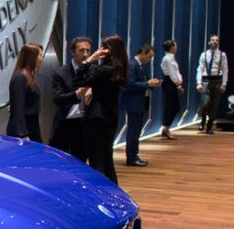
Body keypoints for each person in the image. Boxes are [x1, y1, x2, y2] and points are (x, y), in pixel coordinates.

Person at [74, 34, 129, 183]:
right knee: (107, 160)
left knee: (96, 161)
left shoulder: (104, 70)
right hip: (111, 117)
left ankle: (100, 193)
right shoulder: (120, 70)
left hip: (96, 117)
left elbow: (77, 80)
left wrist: (90, 59)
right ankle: (114, 193)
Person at [50, 37, 91, 160]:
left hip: (85, 123)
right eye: (81, 50)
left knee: (81, 160)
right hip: (65, 122)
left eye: (88, 50)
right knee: (61, 160)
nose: (85, 54)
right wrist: (78, 93)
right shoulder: (60, 72)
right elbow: (58, 98)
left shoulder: (93, 71)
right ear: (73, 52)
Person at [124, 44, 161, 166]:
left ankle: (134, 155)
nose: (149, 60)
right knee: (133, 131)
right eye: (149, 57)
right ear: (143, 53)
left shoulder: (138, 66)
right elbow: (130, 84)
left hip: (139, 103)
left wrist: (151, 85)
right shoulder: (132, 65)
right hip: (133, 103)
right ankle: (131, 157)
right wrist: (147, 84)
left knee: (136, 131)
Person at [6, 43, 44, 142]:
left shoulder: (29, 76)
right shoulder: (20, 77)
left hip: (31, 126)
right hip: (23, 130)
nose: (42, 59)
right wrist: (22, 134)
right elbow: (18, 107)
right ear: (32, 57)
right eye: (40, 55)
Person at [195, 34, 228, 134]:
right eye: (213, 40)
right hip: (206, 80)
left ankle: (209, 125)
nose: (215, 42)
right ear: (209, 42)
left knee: (214, 104)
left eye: (217, 40)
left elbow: (225, 70)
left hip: (217, 80)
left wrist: (224, 84)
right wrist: (199, 82)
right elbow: (200, 69)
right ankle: (203, 119)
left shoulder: (222, 55)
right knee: (205, 102)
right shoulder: (204, 54)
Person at [159, 40, 184, 140]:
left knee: (175, 106)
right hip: (169, 82)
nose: (176, 47)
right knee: (170, 106)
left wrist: (179, 82)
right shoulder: (167, 59)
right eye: (175, 46)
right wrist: (177, 83)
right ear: (172, 47)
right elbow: (171, 73)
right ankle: (165, 128)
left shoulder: (172, 58)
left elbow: (176, 71)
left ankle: (166, 128)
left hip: (173, 82)